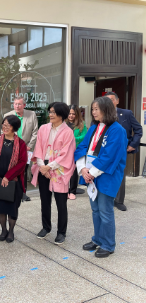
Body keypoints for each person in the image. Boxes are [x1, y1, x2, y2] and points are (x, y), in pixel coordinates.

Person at [75, 97, 127, 258]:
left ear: (107, 109)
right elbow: (81, 147)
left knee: (105, 211)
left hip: (106, 176)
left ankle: (108, 244)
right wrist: (82, 168)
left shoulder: (117, 130)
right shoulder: (93, 128)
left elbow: (110, 156)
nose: (94, 112)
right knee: (95, 210)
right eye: (93, 109)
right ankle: (97, 239)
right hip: (91, 174)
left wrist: (91, 172)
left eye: (97, 109)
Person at [31, 102, 76, 245]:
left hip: (59, 170)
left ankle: (61, 232)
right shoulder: (43, 129)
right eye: (49, 112)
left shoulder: (68, 132)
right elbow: (38, 149)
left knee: (61, 203)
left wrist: (49, 167)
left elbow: (66, 154)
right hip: (43, 167)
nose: (50, 114)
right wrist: (42, 167)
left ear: (61, 115)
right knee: (45, 201)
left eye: (53, 112)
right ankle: (46, 227)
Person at [0, 115, 28, 243]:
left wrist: (8, 177)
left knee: (12, 208)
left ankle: (11, 231)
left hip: (13, 181)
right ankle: (3, 229)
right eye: (3, 124)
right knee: (0, 206)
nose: (5, 127)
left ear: (14, 127)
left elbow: (22, 163)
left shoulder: (21, 143)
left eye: (8, 125)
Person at [104, 92, 141, 211]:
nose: (109, 102)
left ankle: (119, 201)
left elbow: (138, 130)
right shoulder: (102, 114)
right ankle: (106, 198)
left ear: (117, 101)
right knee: (105, 173)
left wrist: (132, 144)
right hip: (106, 150)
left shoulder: (126, 113)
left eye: (111, 99)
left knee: (119, 174)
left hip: (122, 150)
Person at [3, 96, 38, 202]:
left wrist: (29, 145)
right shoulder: (8, 116)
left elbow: (35, 132)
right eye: (15, 104)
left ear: (24, 105)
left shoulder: (31, 114)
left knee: (23, 171)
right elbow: (4, 133)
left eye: (19, 104)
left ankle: (23, 193)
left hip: (26, 148)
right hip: (12, 148)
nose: (17, 106)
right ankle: (12, 193)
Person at [66, 105, 88, 200]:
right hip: (64, 151)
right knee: (64, 171)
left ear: (77, 114)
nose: (71, 116)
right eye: (69, 113)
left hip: (76, 150)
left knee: (74, 172)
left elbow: (85, 136)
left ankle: (72, 191)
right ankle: (65, 190)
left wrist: (73, 138)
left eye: (73, 114)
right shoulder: (63, 123)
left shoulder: (82, 124)